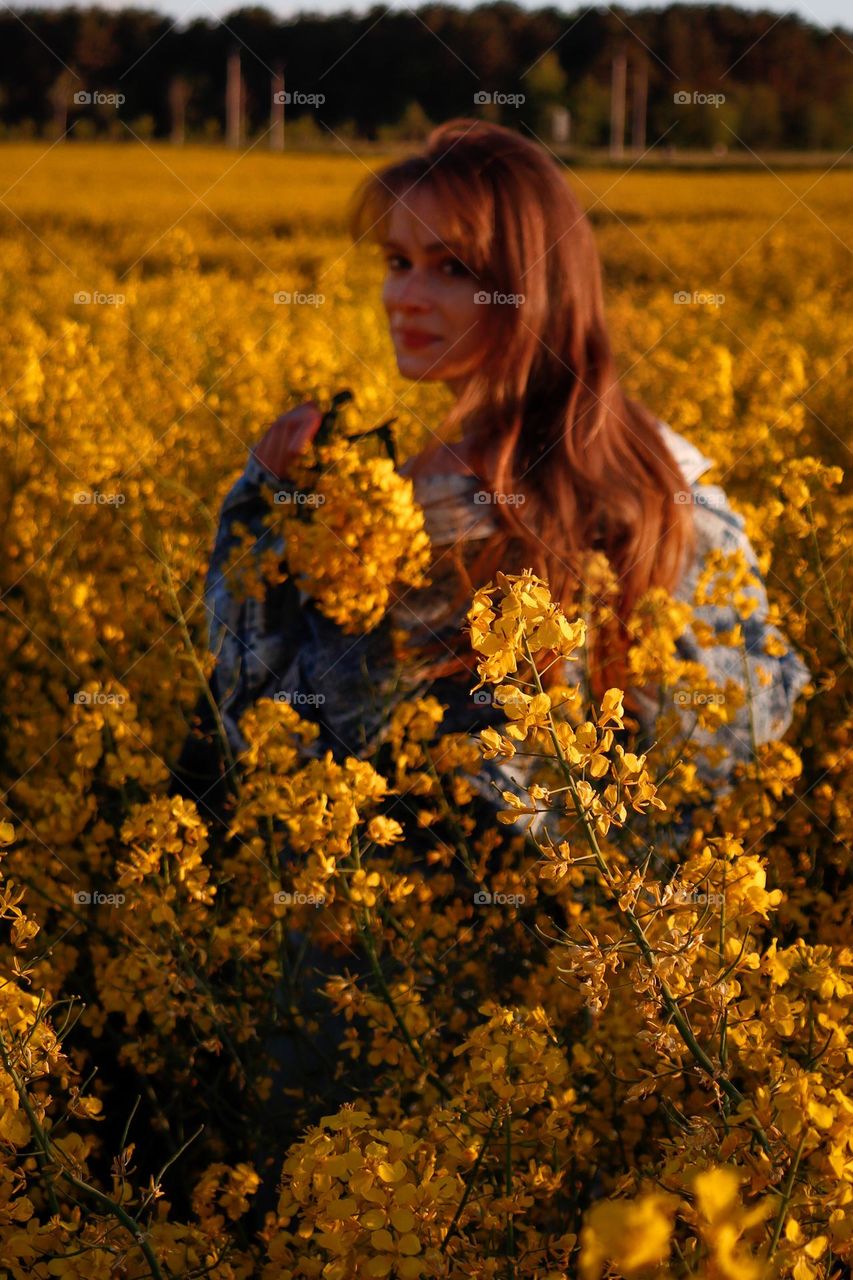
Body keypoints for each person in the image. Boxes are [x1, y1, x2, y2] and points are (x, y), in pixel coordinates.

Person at [171, 117, 811, 843]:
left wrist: (258, 511)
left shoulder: (421, 511)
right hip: (615, 933)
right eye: (396, 261)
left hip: (402, 928)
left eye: (452, 269)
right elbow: (747, 722)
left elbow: (277, 732)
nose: (403, 297)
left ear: (530, 291)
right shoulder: (663, 471)